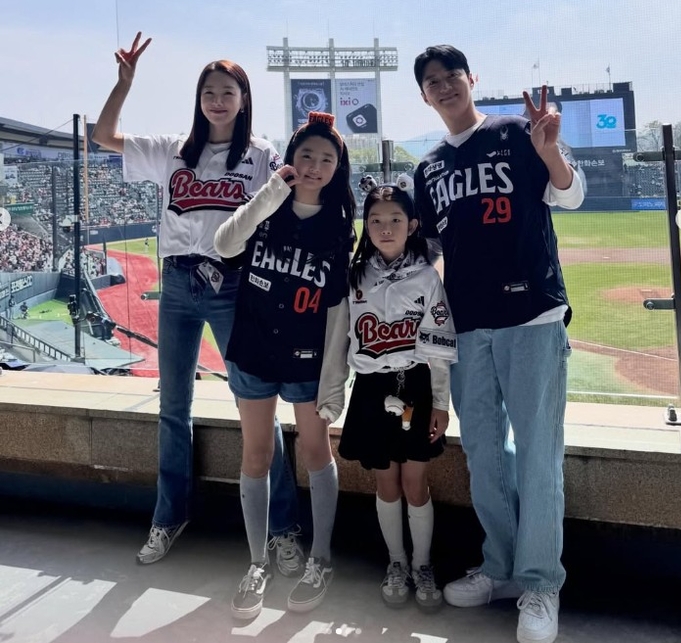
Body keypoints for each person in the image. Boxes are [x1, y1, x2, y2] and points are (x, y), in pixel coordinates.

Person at [92, 32, 301, 570]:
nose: (217, 100)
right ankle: (169, 515)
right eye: (209, 91)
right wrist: (124, 83)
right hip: (178, 284)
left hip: (234, 284)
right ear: (198, 99)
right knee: (173, 407)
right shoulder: (173, 150)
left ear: (244, 99)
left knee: (255, 405)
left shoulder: (260, 154)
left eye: (228, 91)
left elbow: (295, 197)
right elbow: (103, 135)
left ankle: (282, 526)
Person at [412, 45, 584, 643]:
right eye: (432, 82)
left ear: (471, 79)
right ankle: (502, 566)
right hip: (467, 324)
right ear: (424, 96)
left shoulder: (516, 132)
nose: (444, 86)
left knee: (537, 453)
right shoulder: (428, 167)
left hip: (530, 314)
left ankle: (541, 582)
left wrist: (550, 151)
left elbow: (571, 195)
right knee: (484, 453)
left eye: (452, 75)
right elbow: (430, 251)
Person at [214, 112, 355, 620]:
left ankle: (321, 558)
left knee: (316, 451)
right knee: (256, 455)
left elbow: (337, 310)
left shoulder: (339, 227)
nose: (315, 166)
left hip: (307, 358)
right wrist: (271, 192)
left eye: (326, 159)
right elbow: (224, 244)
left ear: (337, 168)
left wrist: (334, 378)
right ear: (290, 159)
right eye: (306, 155)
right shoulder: (266, 205)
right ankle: (257, 563)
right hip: (254, 349)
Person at [319, 181, 456, 611]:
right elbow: (338, 340)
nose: (385, 228)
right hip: (370, 389)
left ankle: (422, 563)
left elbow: (439, 346)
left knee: (415, 482)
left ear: (412, 225)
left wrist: (441, 403)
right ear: (366, 225)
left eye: (396, 219)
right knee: (386, 482)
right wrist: (332, 395)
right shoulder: (354, 276)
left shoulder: (426, 277)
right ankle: (396, 562)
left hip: (415, 385)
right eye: (375, 220)